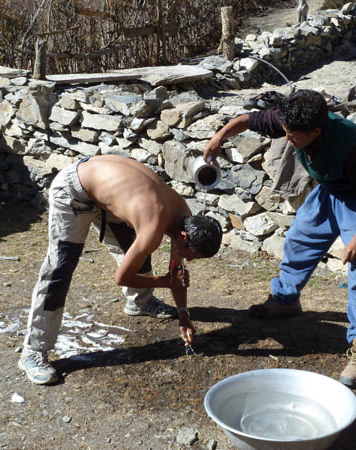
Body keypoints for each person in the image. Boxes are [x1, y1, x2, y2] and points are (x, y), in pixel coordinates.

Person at [203, 89, 356, 388]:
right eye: (285, 132)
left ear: (316, 130)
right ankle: (286, 301)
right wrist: (218, 137)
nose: (288, 139)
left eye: (293, 136)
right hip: (328, 191)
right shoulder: (291, 118)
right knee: (299, 241)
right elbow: (246, 121)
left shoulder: (351, 146)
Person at [19, 155, 222, 385]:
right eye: (193, 256)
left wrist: (184, 313)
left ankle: (140, 302)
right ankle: (34, 351)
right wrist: (165, 281)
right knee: (60, 268)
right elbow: (123, 277)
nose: (190, 261)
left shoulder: (185, 216)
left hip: (108, 193)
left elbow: (176, 271)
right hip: (74, 190)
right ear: (184, 237)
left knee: (134, 250)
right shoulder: (153, 227)